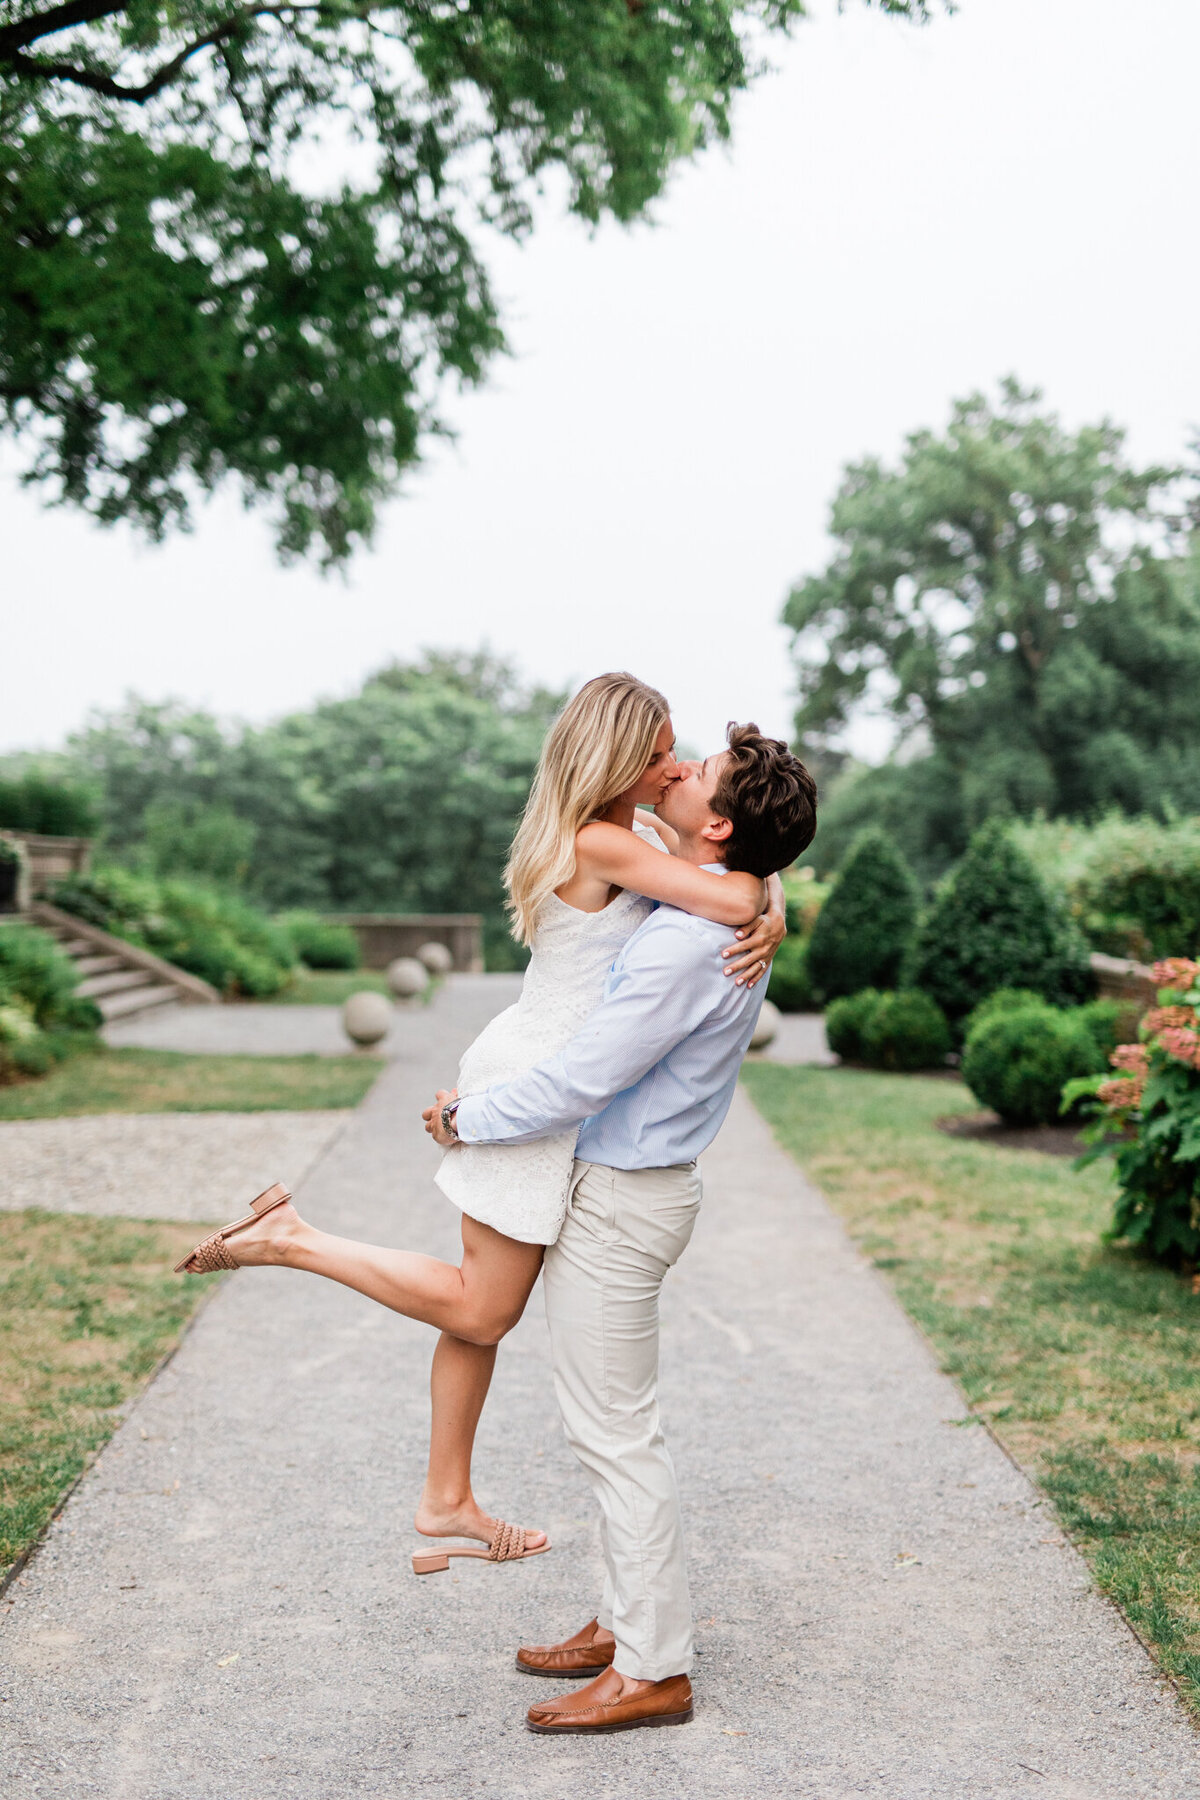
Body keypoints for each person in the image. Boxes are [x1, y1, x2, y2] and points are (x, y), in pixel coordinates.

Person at [174, 674, 786, 1568]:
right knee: (481, 1305)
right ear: (618, 755)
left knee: (474, 1311)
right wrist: (766, 909)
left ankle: (445, 1499)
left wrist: (770, 896)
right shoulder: (602, 840)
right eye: (660, 751)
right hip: (538, 1083)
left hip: (541, 1074)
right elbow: (732, 894)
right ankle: (291, 1238)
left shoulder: (633, 831)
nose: (674, 765)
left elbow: (742, 869)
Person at [424, 722, 817, 1733]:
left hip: (626, 1200)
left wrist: (469, 1117)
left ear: (718, 825)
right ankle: (623, 1620)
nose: (678, 769)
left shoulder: (688, 942)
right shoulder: (710, 895)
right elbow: (728, 870)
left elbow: (584, 1078)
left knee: (616, 1435)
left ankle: (652, 1668)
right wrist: (771, 891)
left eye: (700, 774)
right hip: (640, 1190)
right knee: (609, 1427)